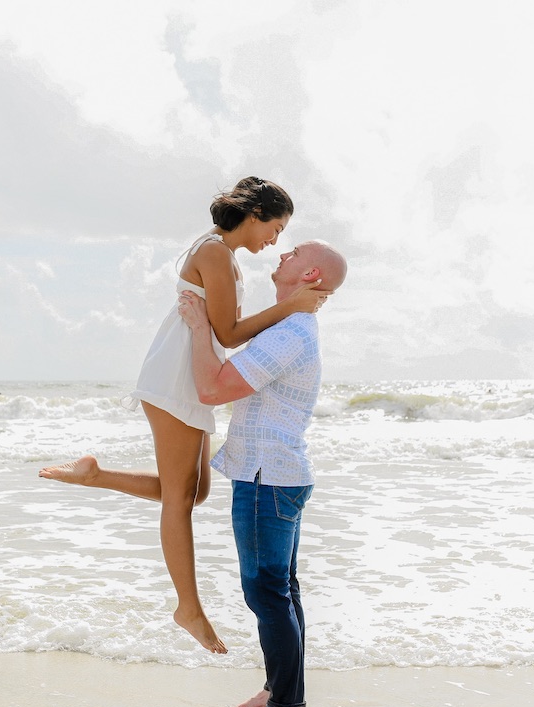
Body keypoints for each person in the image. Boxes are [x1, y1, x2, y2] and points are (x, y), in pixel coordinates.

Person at [38, 178, 329, 655]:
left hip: (190, 377)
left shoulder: (225, 256)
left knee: (196, 492)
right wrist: (291, 307)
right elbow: (230, 333)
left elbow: (223, 331)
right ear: (254, 213)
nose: (274, 241)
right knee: (179, 498)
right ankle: (187, 608)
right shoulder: (214, 251)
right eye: (275, 228)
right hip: (176, 376)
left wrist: (287, 309)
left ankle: (94, 474)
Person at [178, 240, 347, 707]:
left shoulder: (290, 333)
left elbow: (213, 389)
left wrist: (196, 328)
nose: (281, 255)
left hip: (267, 475)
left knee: (265, 591)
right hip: (275, 472)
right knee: (281, 589)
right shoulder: (288, 325)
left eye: (292, 252)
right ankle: (280, 688)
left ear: (310, 273)